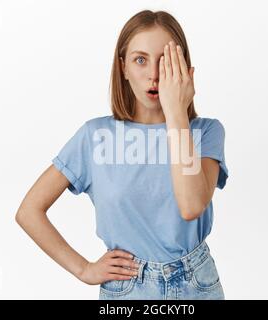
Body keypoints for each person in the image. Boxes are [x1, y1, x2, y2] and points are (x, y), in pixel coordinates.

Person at [15, 10, 229, 300]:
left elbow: (191, 206)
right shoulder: (95, 136)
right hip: (128, 289)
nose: (154, 74)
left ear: (184, 69)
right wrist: (84, 270)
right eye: (140, 60)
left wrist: (176, 110)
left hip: (197, 284)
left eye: (165, 61)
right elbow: (29, 211)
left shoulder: (206, 133)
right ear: (123, 68)